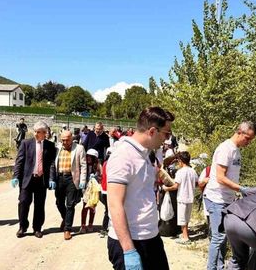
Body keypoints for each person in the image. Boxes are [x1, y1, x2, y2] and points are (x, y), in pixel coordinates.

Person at [107, 107, 175, 270]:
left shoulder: (144, 154)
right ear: (152, 131)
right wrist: (129, 250)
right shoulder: (123, 155)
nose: (167, 140)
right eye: (166, 133)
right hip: (132, 241)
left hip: (150, 238)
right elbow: (115, 204)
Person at [205, 121, 256, 270]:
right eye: (247, 138)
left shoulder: (236, 150)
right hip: (216, 199)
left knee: (223, 237)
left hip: (227, 199)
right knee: (218, 238)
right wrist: (241, 189)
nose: (248, 142)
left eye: (251, 140)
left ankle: (219, 267)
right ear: (239, 132)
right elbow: (221, 178)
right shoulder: (225, 149)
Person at [11, 121, 57, 238]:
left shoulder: (50, 146)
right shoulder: (26, 143)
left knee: (39, 205)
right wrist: (16, 176)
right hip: (28, 179)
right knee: (23, 202)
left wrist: (52, 178)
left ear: (45, 133)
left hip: (41, 180)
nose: (36, 134)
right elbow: (19, 161)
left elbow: (52, 163)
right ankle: (23, 227)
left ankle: (37, 228)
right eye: (35, 131)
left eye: (39, 132)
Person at [50, 130, 86, 240]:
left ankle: (67, 229)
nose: (64, 142)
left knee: (70, 204)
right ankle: (66, 219)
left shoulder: (79, 148)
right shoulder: (57, 148)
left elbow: (83, 165)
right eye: (63, 140)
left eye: (67, 140)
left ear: (71, 138)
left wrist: (82, 180)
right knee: (59, 202)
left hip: (72, 178)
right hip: (59, 178)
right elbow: (53, 164)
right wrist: (52, 178)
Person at [162, 151, 198, 244]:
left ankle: (185, 238)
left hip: (182, 197)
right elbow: (196, 183)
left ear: (181, 161)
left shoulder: (180, 172)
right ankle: (185, 234)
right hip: (190, 197)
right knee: (187, 217)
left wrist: (166, 188)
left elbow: (175, 186)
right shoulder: (193, 171)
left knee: (182, 218)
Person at [79, 148, 102, 233]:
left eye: (90, 157)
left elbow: (101, 176)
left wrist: (96, 177)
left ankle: (90, 224)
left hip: (94, 190)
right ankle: (83, 225)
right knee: (85, 207)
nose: (88, 158)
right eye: (87, 156)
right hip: (86, 189)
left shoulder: (98, 166)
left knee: (92, 207)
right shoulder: (84, 165)